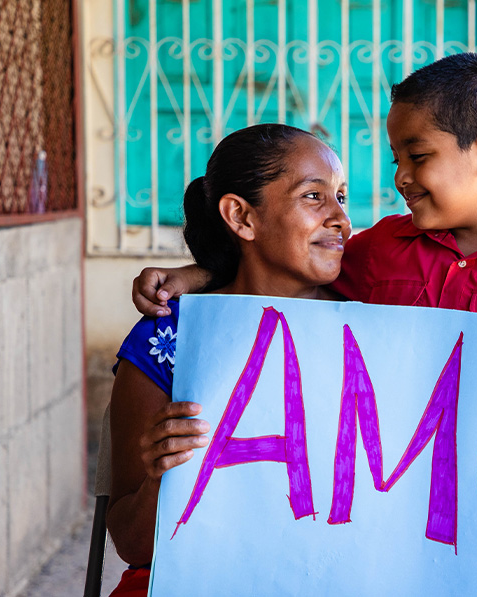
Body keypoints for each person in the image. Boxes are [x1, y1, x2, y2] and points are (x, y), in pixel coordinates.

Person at [131, 53, 477, 501]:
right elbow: (287, 268)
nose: (399, 176)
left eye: (417, 155)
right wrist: (200, 273)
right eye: (395, 156)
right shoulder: (381, 249)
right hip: (383, 513)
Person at [106, 124, 350, 595]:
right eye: (314, 197)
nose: (341, 218)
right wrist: (162, 481)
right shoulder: (169, 338)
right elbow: (133, 545)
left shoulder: (374, 322)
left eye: (341, 196)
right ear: (240, 216)